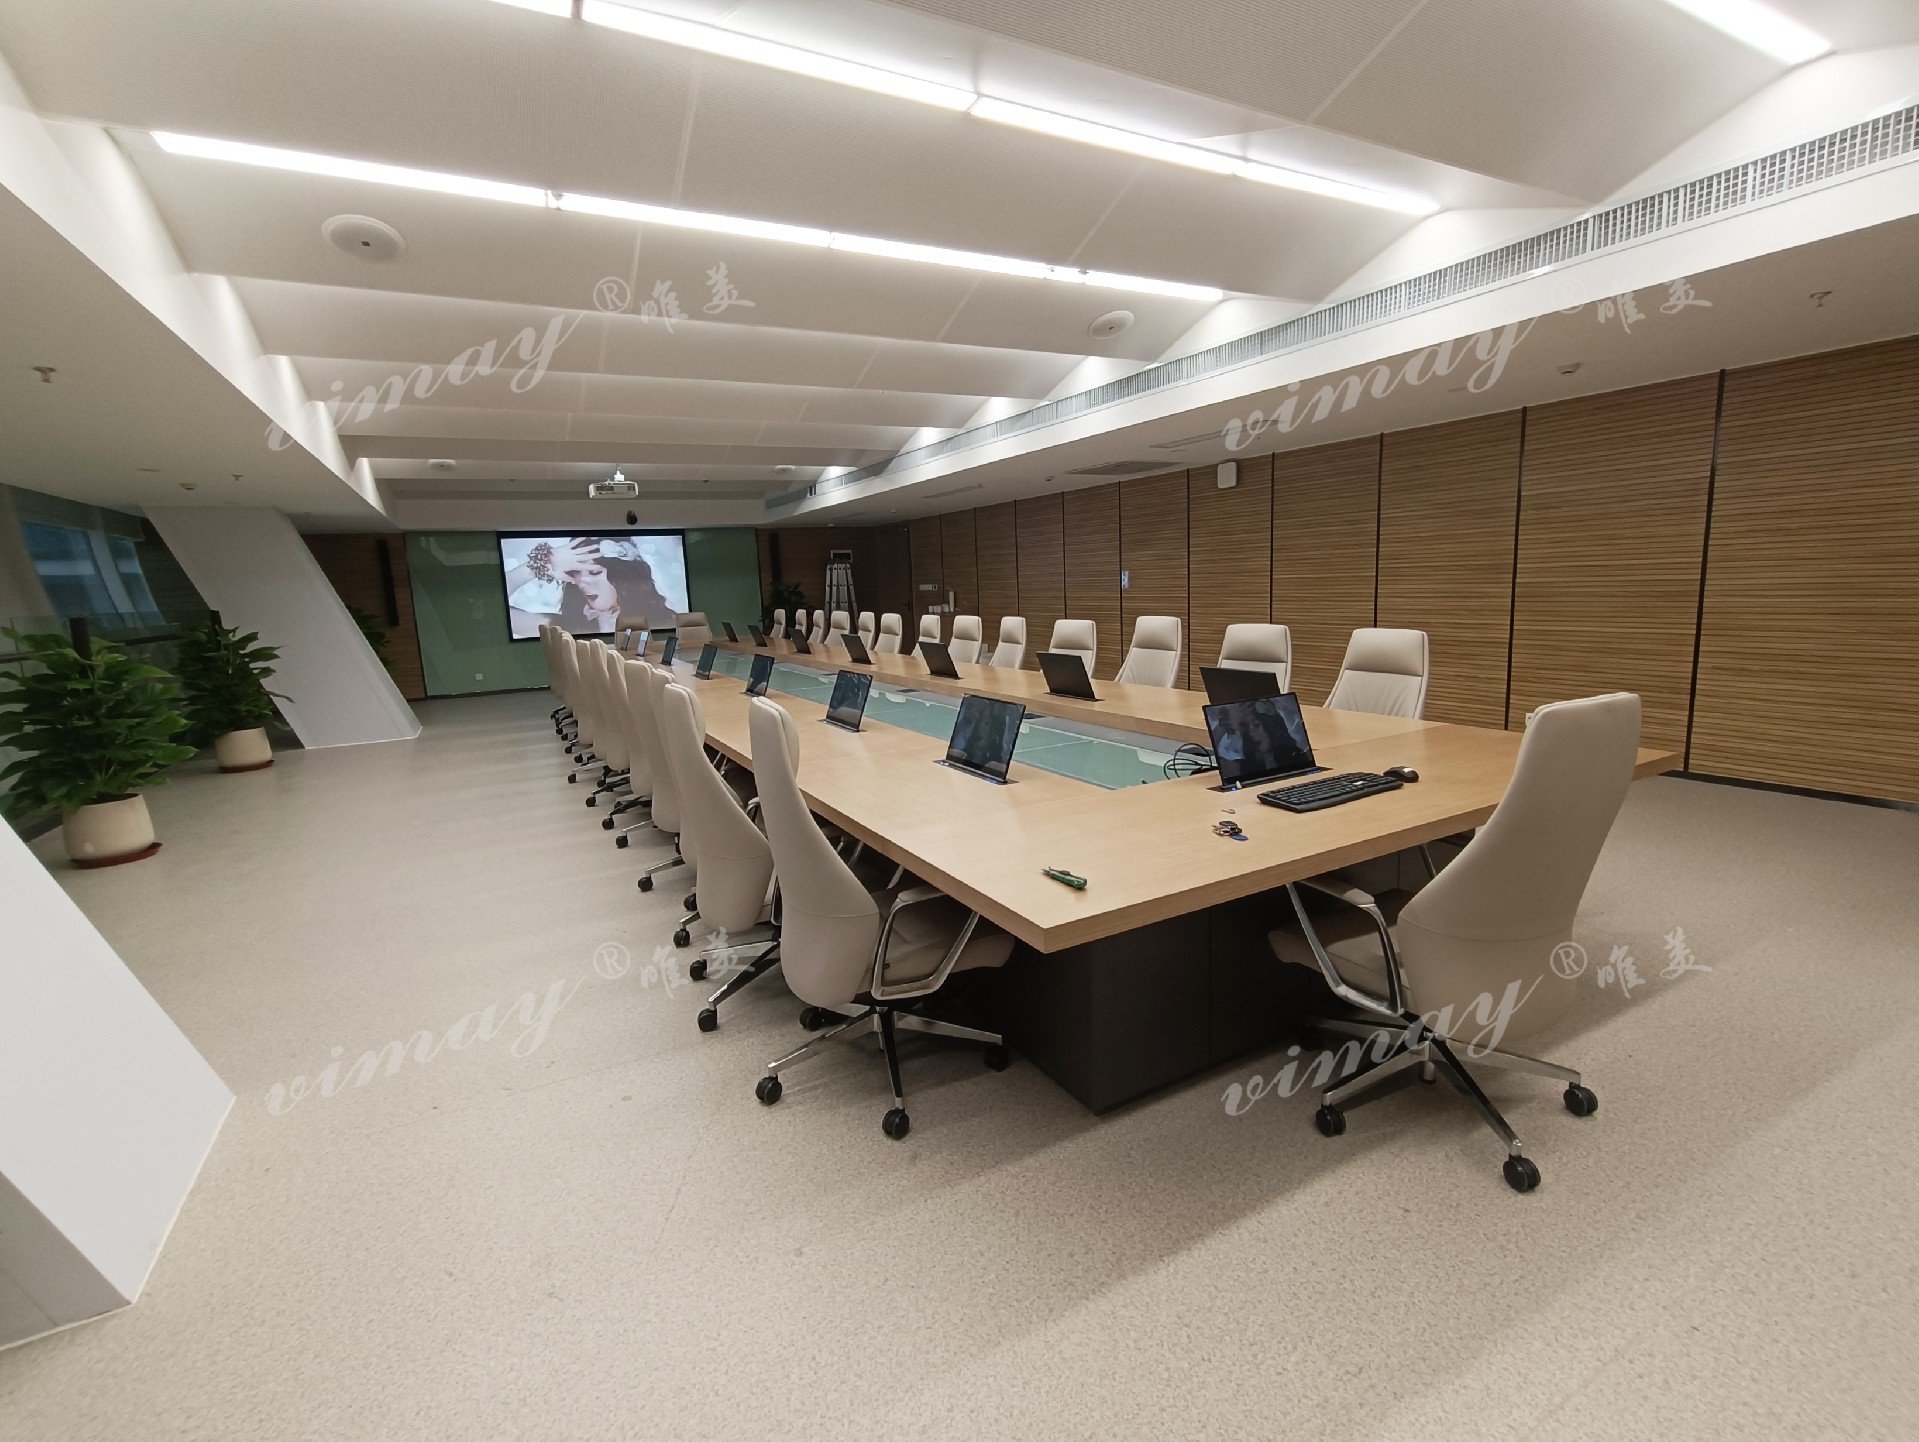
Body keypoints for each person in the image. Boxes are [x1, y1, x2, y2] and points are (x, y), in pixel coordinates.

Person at [506, 537, 673, 636]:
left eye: (595, 572)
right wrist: (544, 562)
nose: (582, 582)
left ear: (623, 577)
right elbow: (497, 610)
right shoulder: (563, 628)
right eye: (576, 573)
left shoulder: (665, 621)